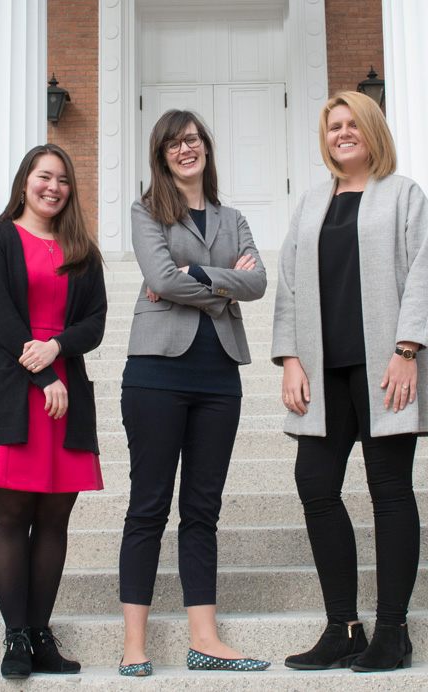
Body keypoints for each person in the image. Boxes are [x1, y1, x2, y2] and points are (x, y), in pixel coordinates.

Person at [271, 91, 428, 673]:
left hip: (384, 366)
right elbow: (290, 284)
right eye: (333, 127)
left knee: (389, 489)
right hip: (322, 369)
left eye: (353, 124)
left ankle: (393, 632)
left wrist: (408, 349)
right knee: (316, 484)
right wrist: (290, 358)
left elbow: (425, 271)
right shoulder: (310, 203)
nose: (342, 134)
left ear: (372, 130)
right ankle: (343, 627)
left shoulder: (402, 194)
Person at [118, 109, 269, 677]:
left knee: (202, 509)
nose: (187, 149)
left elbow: (256, 283)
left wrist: (198, 277)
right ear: (161, 156)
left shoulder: (233, 217)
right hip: (157, 372)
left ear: (206, 146)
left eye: (194, 139)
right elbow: (159, 280)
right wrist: (223, 278)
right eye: (174, 144)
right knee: (149, 506)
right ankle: (135, 644)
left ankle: (205, 638)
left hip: (218, 376)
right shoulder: (146, 211)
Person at [0, 144, 107, 679]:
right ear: (25, 182)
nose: (54, 187)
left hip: (66, 396)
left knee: (55, 518)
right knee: (12, 515)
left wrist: (59, 350)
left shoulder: (82, 251)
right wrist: (42, 370)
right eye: (45, 176)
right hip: (11, 390)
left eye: (63, 179)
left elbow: (95, 323)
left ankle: (41, 634)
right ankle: (15, 636)